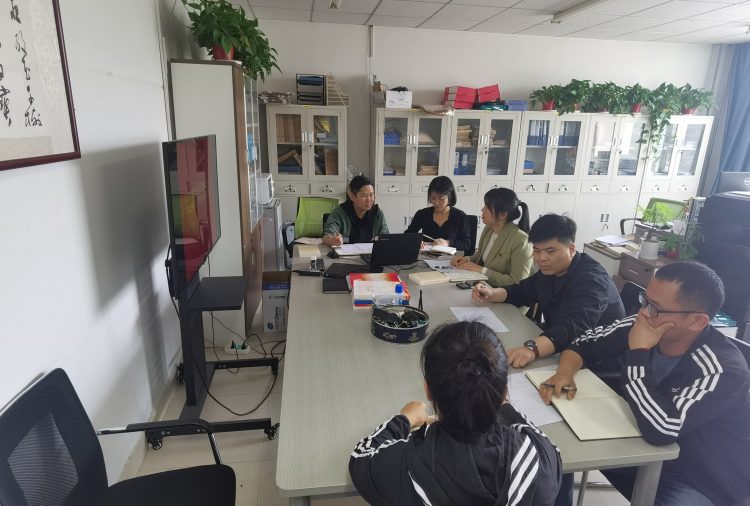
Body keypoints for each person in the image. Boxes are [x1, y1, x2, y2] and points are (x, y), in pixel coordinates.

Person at [539, 261, 750, 506]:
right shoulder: (644, 323)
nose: (643, 313)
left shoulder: (722, 369)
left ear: (696, 321)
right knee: (553, 453)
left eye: (655, 308)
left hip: (698, 475)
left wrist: (638, 352)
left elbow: (663, 429)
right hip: (636, 440)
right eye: (645, 300)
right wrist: (565, 372)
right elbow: (582, 343)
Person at [349, 321, 562, 506]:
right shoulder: (541, 463)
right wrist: (500, 402)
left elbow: (361, 457)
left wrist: (404, 419)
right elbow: (538, 438)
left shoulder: (410, 466)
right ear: (504, 393)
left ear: (428, 390)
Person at [472, 213, 625, 369]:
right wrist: (492, 293)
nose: (541, 258)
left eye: (550, 251)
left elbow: (573, 327)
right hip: (561, 346)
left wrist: (531, 349)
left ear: (571, 249)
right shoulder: (551, 270)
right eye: (537, 251)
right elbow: (521, 291)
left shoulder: (592, 280)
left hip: (595, 361)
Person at [450, 188, 533, 287]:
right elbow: (480, 256)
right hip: (484, 287)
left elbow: (517, 282)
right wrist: (466, 259)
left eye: (487, 207)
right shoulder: (489, 228)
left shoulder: (521, 240)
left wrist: (482, 270)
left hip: (505, 294)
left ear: (502, 215)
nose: (482, 209)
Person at [405, 176, 471, 251]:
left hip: (450, 257)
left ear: (450, 197)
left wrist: (448, 242)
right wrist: (416, 241)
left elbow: (466, 244)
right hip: (426, 255)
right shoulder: (422, 214)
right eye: (433, 198)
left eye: (441, 199)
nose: (436, 202)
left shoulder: (460, 216)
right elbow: (408, 235)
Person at [322, 175, 388, 246]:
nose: (369, 199)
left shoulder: (377, 214)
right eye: (364, 196)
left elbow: (386, 239)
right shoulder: (340, 212)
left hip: (370, 253)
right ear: (352, 196)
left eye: (371, 195)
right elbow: (326, 236)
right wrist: (332, 240)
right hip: (346, 252)